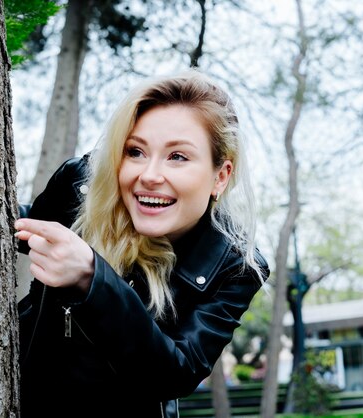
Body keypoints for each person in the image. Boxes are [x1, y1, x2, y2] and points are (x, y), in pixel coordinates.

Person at [15, 69, 270, 418]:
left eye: (177, 156)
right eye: (135, 151)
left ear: (220, 176)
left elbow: (176, 372)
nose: (149, 175)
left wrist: (93, 278)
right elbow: (21, 226)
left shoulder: (234, 266)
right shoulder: (80, 186)